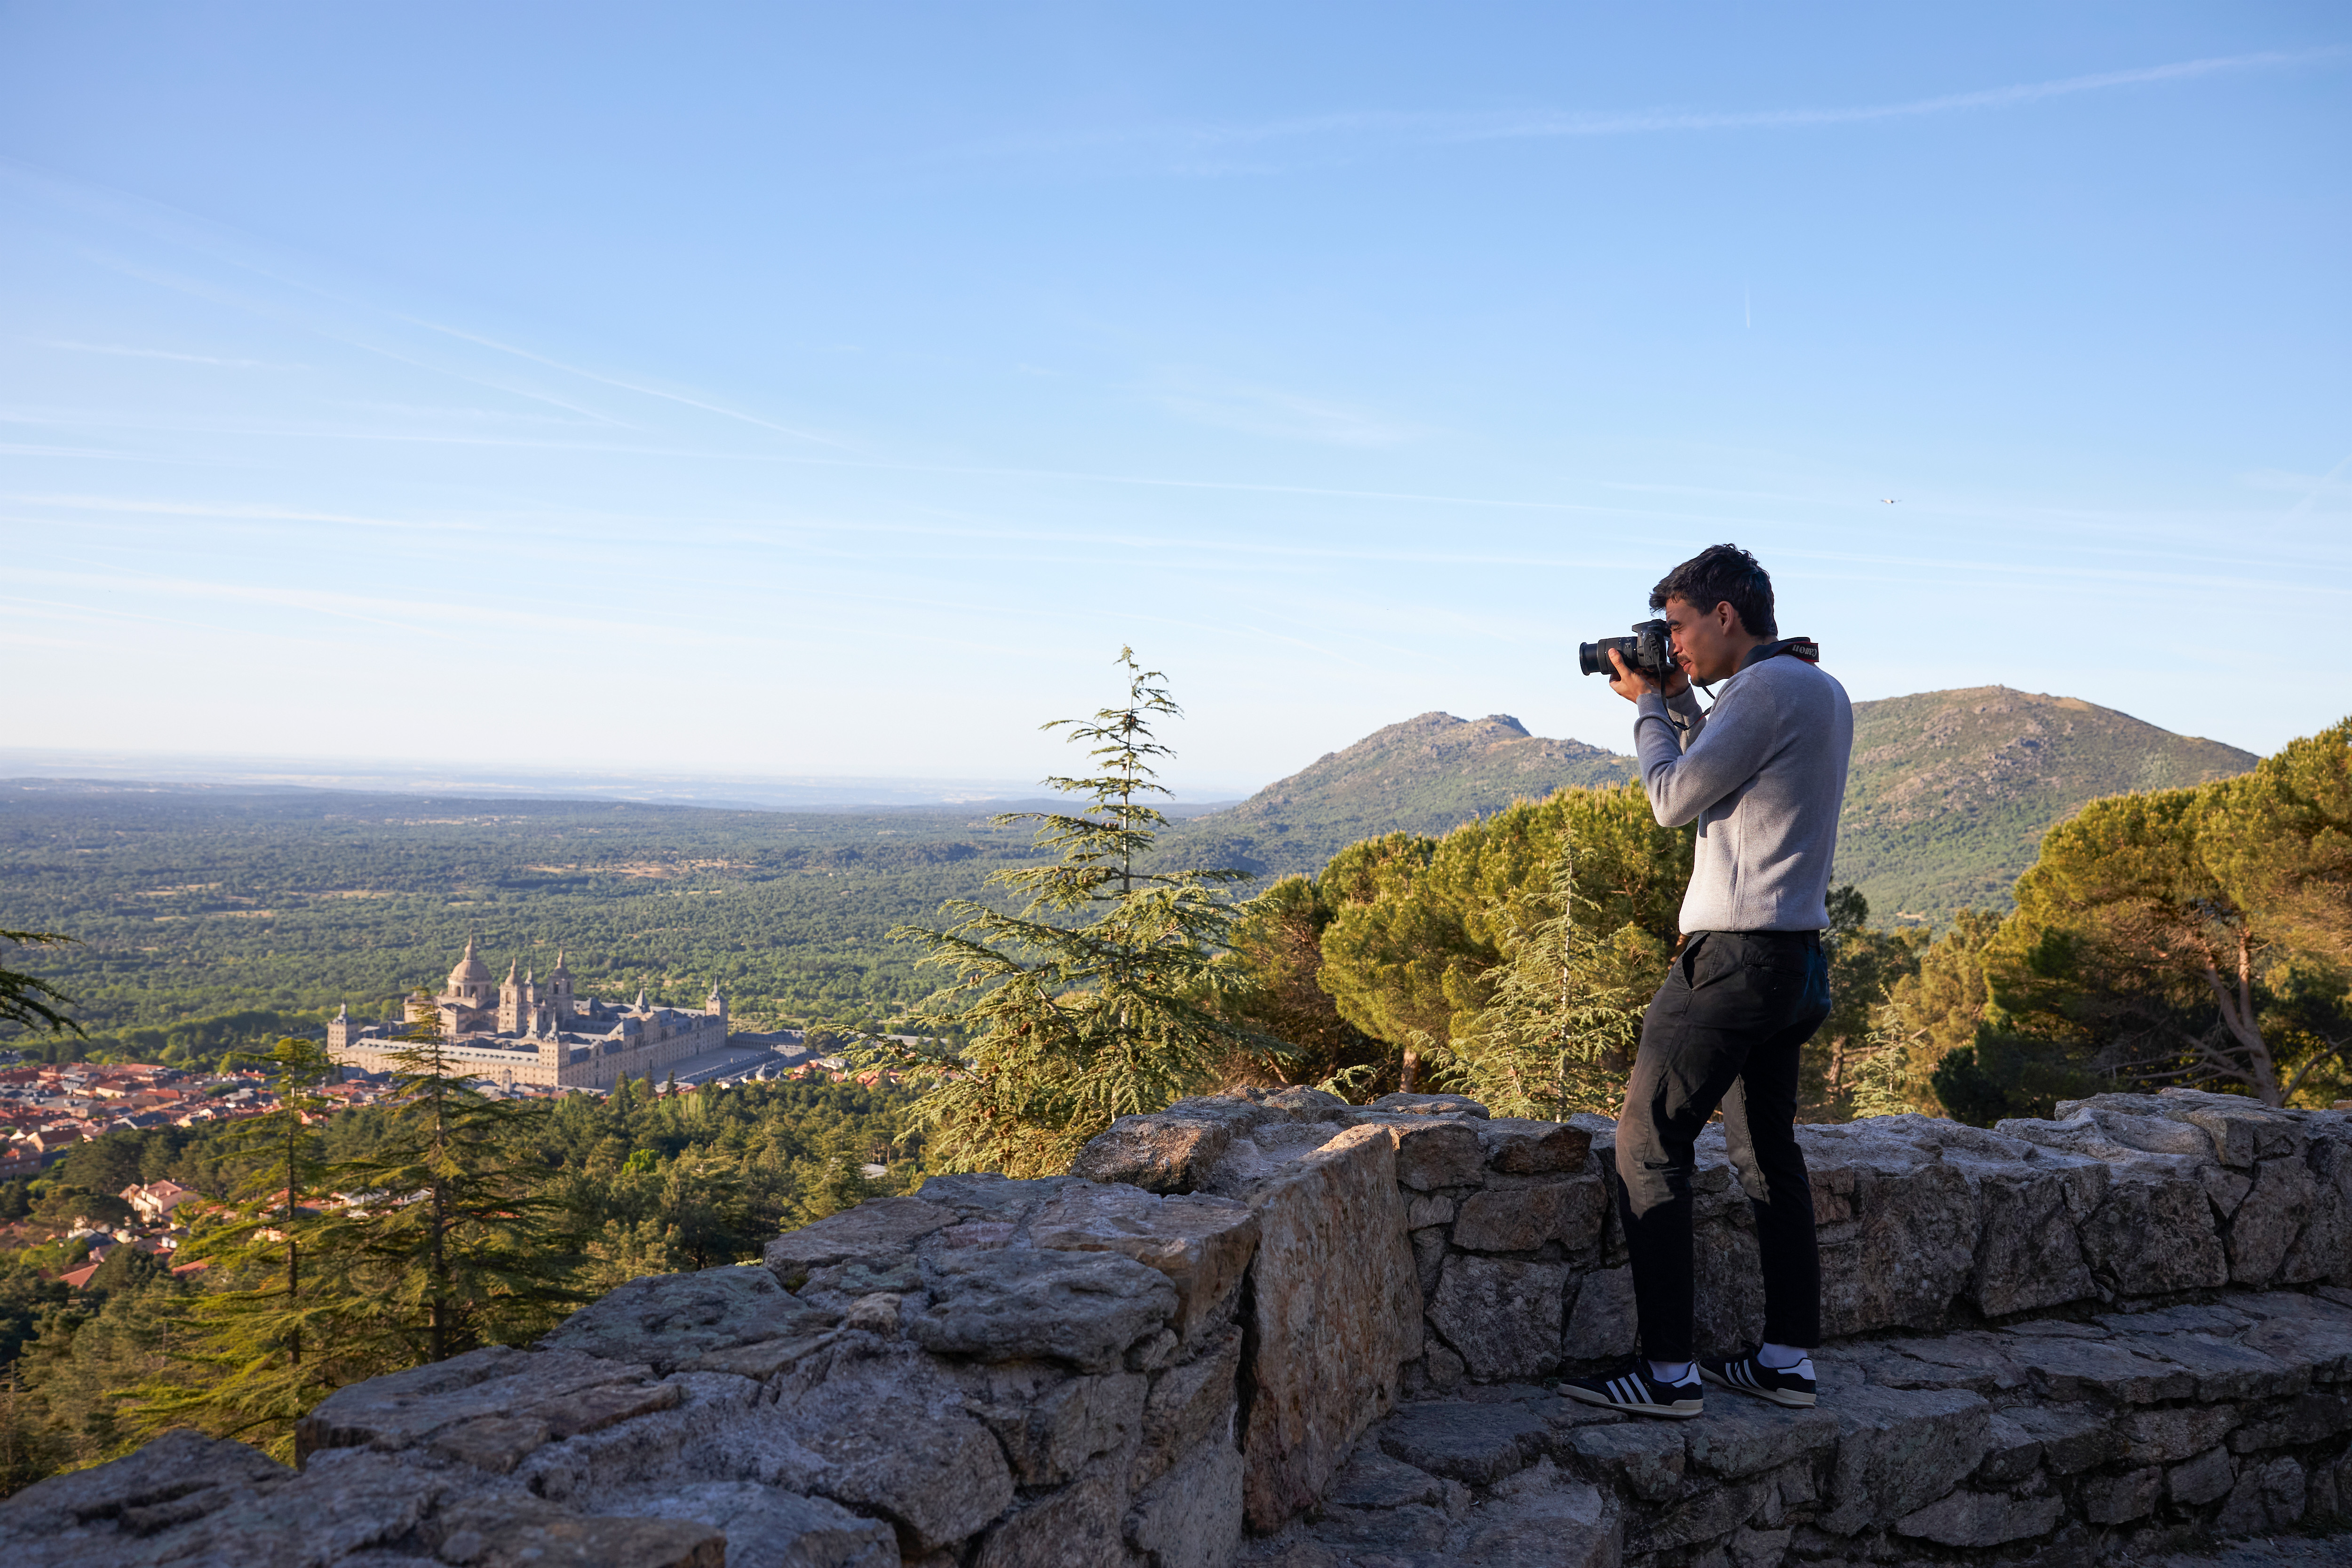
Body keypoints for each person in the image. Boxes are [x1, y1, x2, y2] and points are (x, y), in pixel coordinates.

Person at [1560, 543, 1852, 1419]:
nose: (1672, 644)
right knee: (1768, 1154)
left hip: (1732, 959)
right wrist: (1681, 700)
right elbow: (1730, 769)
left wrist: (1649, 707)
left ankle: (1667, 1374)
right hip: (1796, 960)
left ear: (1727, 614)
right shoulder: (1815, 687)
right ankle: (1786, 1360)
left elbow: (1674, 798)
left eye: (1679, 626)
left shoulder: (1763, 689)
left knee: (1648, 1148)